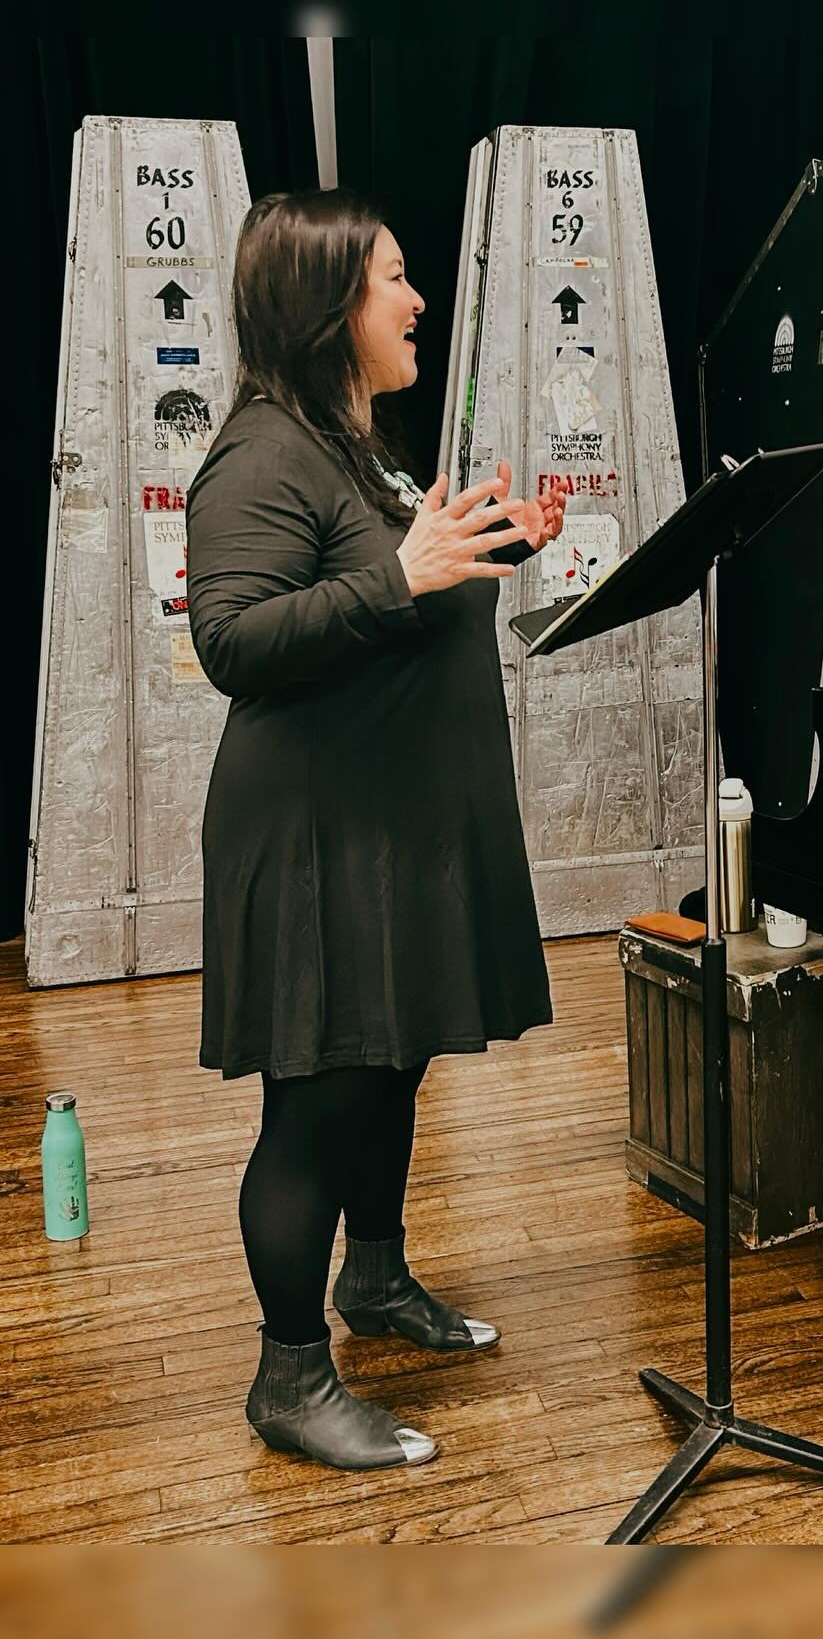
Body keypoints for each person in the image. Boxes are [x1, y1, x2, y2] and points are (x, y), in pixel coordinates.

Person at [185, 189, 567, 1471]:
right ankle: (289, 1377)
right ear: (327, 305)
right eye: (393, 279)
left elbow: (401, 583)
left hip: (396, 828)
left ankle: (377, 1276)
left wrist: (498, 541)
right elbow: (232, 640)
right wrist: (398, 574)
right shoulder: (261, 455)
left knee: (389, 1063)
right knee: (318, 1102)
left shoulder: (357, 446)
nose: (418, 301)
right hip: (317, 841)